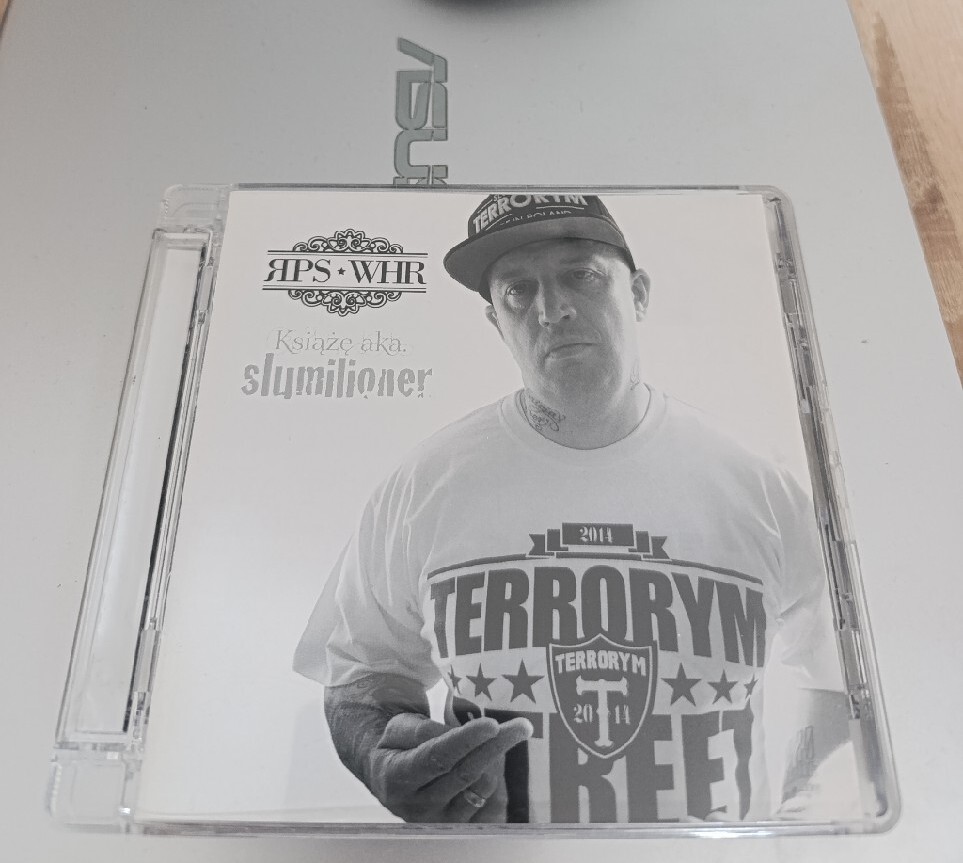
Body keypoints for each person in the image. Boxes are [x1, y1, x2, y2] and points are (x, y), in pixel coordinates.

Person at [294, 193, 849, 824]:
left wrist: (806, 811)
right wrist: (380, 757)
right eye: (518, 291)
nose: (551, 309)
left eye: (580, 276)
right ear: (495, 322)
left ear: (638, 293)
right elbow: (362, 668)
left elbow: (838, 673)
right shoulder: (424, 485)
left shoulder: (761, 486)